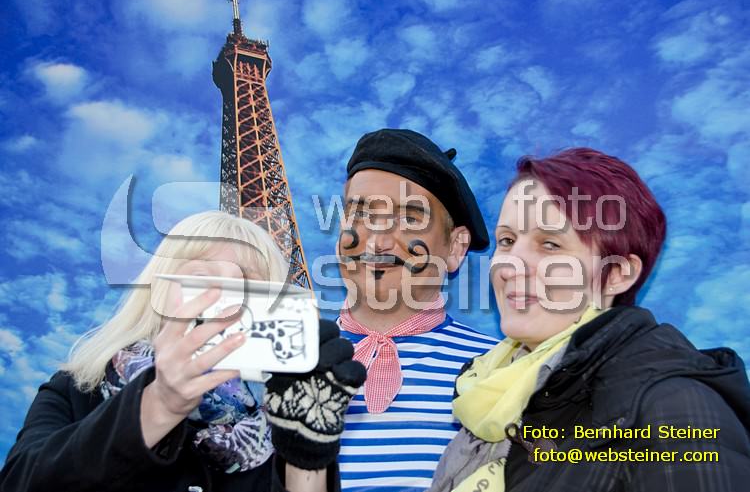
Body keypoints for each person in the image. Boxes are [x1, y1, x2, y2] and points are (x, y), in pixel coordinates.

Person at [429, 148, 750, 491]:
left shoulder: (674, 408)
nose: (510, 265)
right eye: (507, 241)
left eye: (550, 244)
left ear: (618, 275)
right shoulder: (492, 395)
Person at [0, 210, 366, 492]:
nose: (225, 299)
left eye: (247, 285)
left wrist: (307, 458)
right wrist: (159, 404)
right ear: (158, 292)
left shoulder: (286, 413)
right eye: (203, 279)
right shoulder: (78, 388)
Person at [334, 129, 499, 491]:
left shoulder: (502, 370)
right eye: (359, 215)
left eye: (410, 219)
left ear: (455, 248)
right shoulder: (284, 359)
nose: (377, 241)